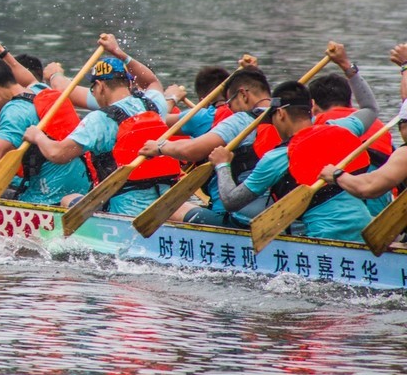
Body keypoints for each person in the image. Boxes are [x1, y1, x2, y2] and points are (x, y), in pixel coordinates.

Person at [21, 33, 177, 216]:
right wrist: (119, 53)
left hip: (124, 211)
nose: (93, 94)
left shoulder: (99, 120)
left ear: (100, 86)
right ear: (128, 82)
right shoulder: (154, 104)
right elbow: (151, 81)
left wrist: (37, 136)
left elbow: (58, 153)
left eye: (92, 89)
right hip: (166, 204)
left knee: (67, 199)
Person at [208, 79, 377, 242]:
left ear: (280, 113)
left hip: (323, 238)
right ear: (311, 107)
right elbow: (370, 108)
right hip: (366, 231)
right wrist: (350, 70)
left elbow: (231, 202)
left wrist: (222, 164)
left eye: (272, 117)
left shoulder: (278, 157)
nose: (273, 124)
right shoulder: (341, 127)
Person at [137, 58, 279, 228]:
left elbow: (190, 149)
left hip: (241, 220)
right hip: (285, 218)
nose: (229, 109)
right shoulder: (290, 116)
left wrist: (160, 147)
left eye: (230, 102)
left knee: (169, 208)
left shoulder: (238, 120)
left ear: (243, 94)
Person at [0, 56, 91, 205]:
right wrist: (1, 52)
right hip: (80, 185)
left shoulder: (14, 112)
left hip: (49, 194)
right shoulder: (39, 89)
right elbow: (29, 77)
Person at [309, 72, 395, 215]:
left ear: (312, 105)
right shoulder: (378, 125)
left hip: (346, 206)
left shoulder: (317, 126)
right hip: (381, 205)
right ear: (349, 102)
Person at [163, 66, 232, 138]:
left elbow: (160, 120)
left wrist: (171, 98)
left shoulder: (199, 116)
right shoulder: (240, 113)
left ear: (203, 101)